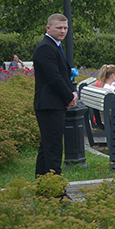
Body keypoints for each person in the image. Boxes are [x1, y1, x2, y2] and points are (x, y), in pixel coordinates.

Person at [33, 14, 77, 180]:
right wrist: (69, 97)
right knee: (54, 151)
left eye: (65, 28)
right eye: (59, 27)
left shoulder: (55, 46)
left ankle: (44, 190)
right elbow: (54, 78)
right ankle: (56, 193)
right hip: (49, 105)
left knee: (47, 149)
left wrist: (73, 92)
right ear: (48, 28)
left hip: (53, 104)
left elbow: (64, 75)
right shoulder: (46, 47)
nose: (63, 31)